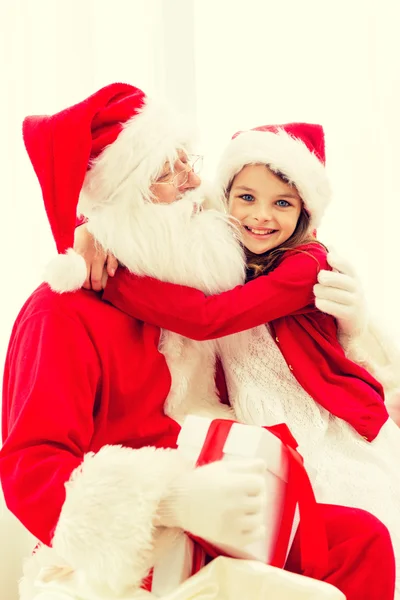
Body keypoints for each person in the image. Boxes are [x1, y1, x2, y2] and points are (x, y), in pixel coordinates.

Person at [0, 85, 395, 600]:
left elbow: (262, 232)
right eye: (168, 171)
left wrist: (355, 326)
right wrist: (171, 501)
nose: (194, 182)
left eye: (189, 160)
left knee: (363, 541)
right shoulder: (61, 312)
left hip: (226, 504)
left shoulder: (193, 276)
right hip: (137, 539)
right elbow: (31, 468)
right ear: (125, 201)